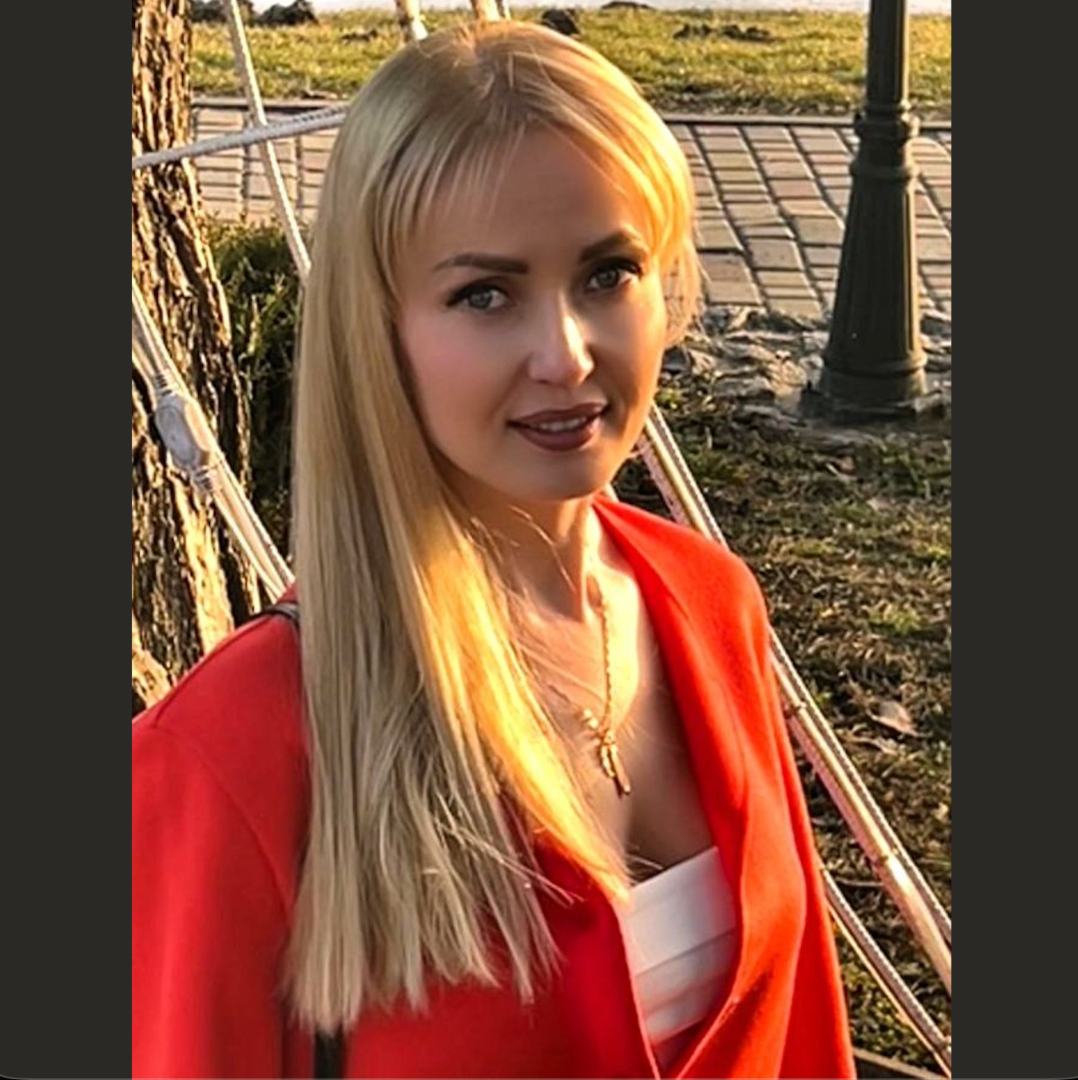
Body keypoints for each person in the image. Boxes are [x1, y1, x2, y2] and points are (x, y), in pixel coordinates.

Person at [132, 18, 855, 1079]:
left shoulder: (708, 604)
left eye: (607, 273)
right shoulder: (238, 748)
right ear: (379, 334)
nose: (565, 356)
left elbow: (802, 1039)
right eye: (485, 294)